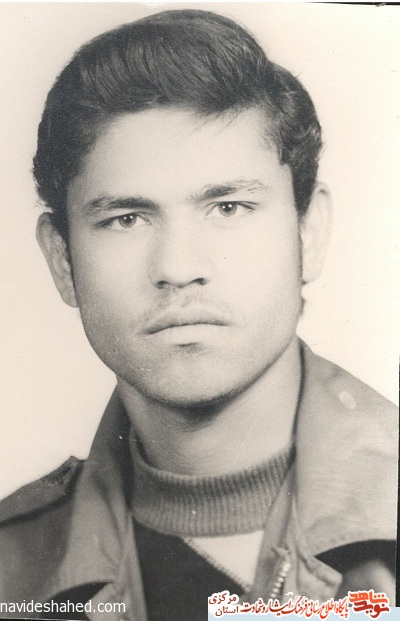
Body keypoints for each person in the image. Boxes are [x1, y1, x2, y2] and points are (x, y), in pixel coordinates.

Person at [0, 8, 397, 621]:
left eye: (229, 207)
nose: (179, 267)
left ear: (309, 232)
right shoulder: (11, 570)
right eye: (126, 219)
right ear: (61, 259)